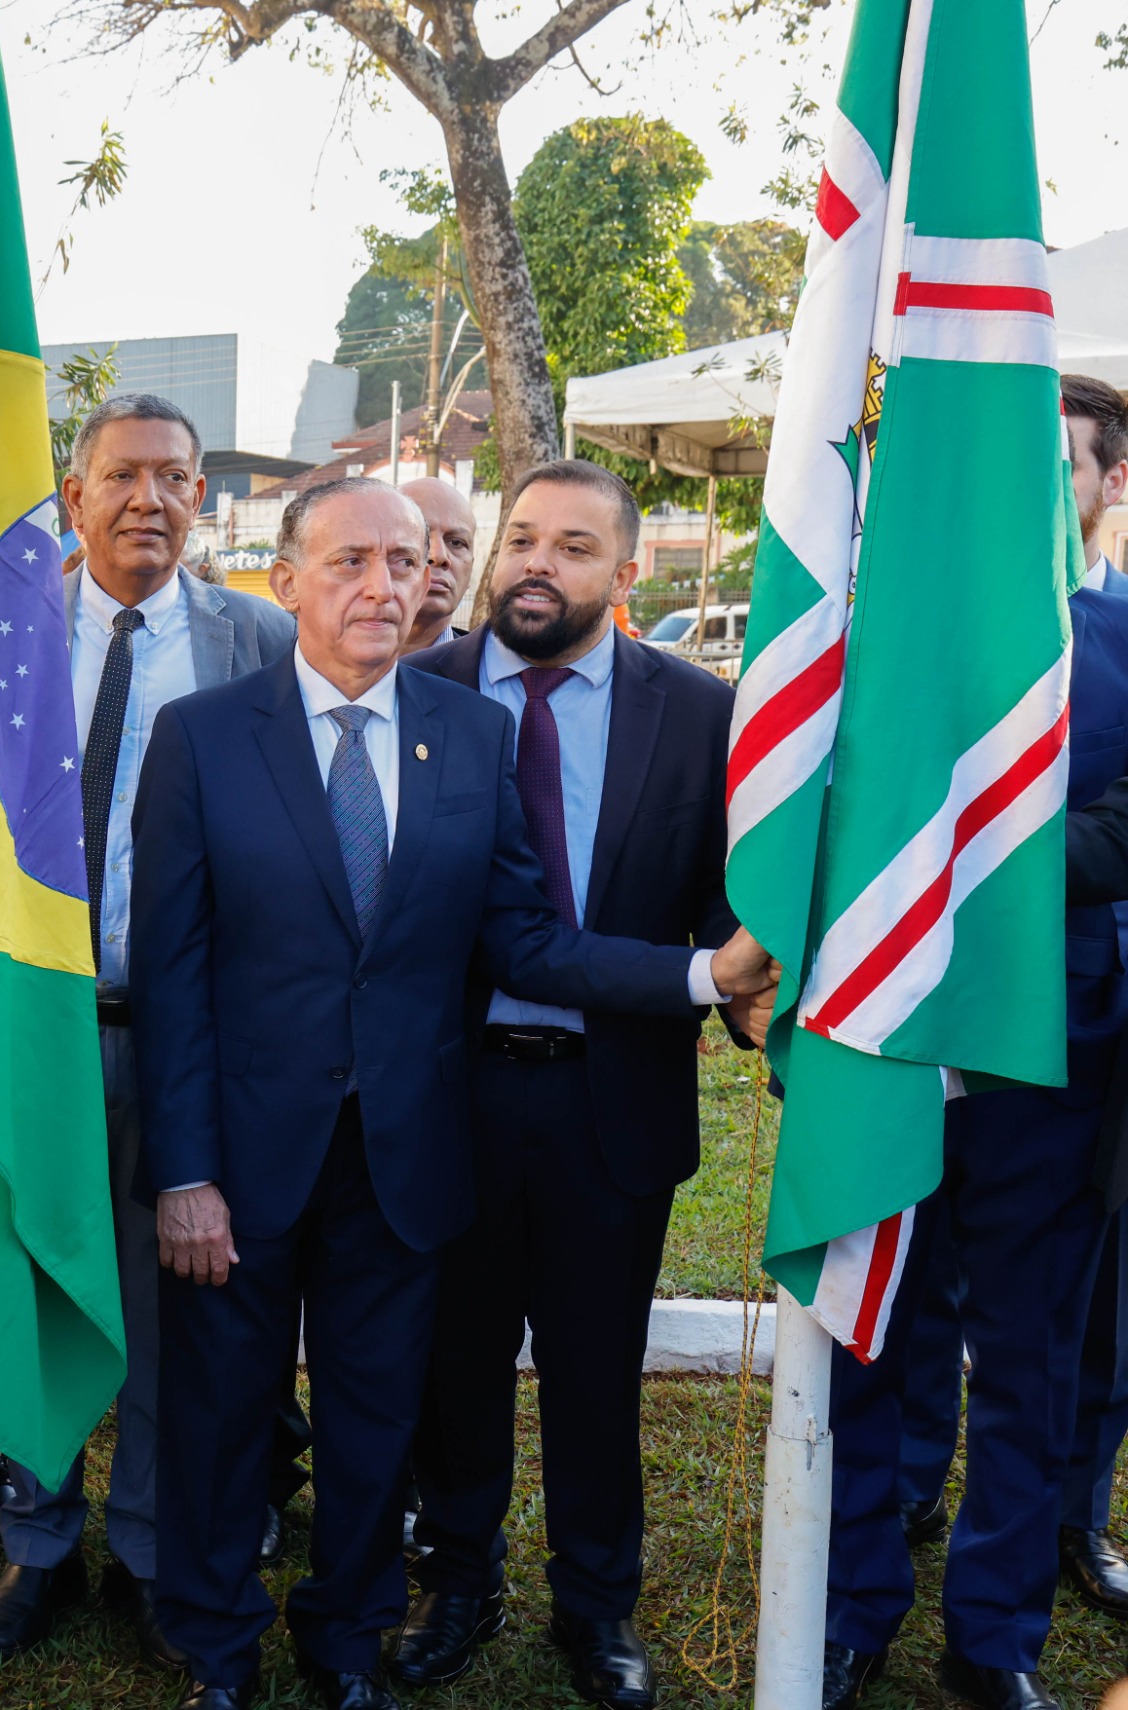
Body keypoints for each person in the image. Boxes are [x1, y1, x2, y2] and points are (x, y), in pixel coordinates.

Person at [128, 476, 774, 1710]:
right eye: (350, 562)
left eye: (406, 562)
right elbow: (172, 975)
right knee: (222, 1420)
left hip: (409, 1157)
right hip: (242, 1159)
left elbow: (523, 939)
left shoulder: (466, 736)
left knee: (377, 1423)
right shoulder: (203, 738)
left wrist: (703, 973)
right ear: (288, 580)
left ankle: (347, 1640)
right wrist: (184, 1173)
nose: (383, 586)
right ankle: (215, 1647)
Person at [394, 460, 744, 1708]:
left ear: (627, 571)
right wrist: (705, 973)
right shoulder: (418, 693)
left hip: (612, 1100)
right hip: (449, 1091)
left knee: (597, 1372)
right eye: (521, 539)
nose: (538, 564)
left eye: (574, 547)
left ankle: (596, 1607)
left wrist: (735, 963)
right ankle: (457, 1578)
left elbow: (724, 882)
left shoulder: (699, 712)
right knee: (457, 1360)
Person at [0, 392, 297, 1667]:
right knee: (37, 1281)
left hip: (187, 1038)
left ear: (201, 497)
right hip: (36, 1034)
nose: (146, 499)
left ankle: (156, 1551)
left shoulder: (255, 639)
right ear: (74, 491)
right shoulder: (8, 632)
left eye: (172, 477)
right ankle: (36, 1543)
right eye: (120, 476)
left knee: (175, 1304)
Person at [818, 377, 1128, 1710]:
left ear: (1103, 483)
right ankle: (849, 1608)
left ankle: (990, 1636)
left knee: (1026, 1358)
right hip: (880, 1050)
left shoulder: (1122, 641)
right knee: (870, 1337)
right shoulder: (861, 630)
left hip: (1052, 1057)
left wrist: (955, 856)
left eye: (1051, 460)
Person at [1057, 375, 1128, 1627]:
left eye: (1056, 462)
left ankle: (1076, 1517)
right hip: (938, 1023)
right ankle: (904, 1497)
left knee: (1098, 1308)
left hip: (1106, 1022)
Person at [397, 475, 477, 655]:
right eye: (421, 537)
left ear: (471, 566)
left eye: (456, 543)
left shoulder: (489, 677)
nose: (438, 555)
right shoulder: (324, 670)